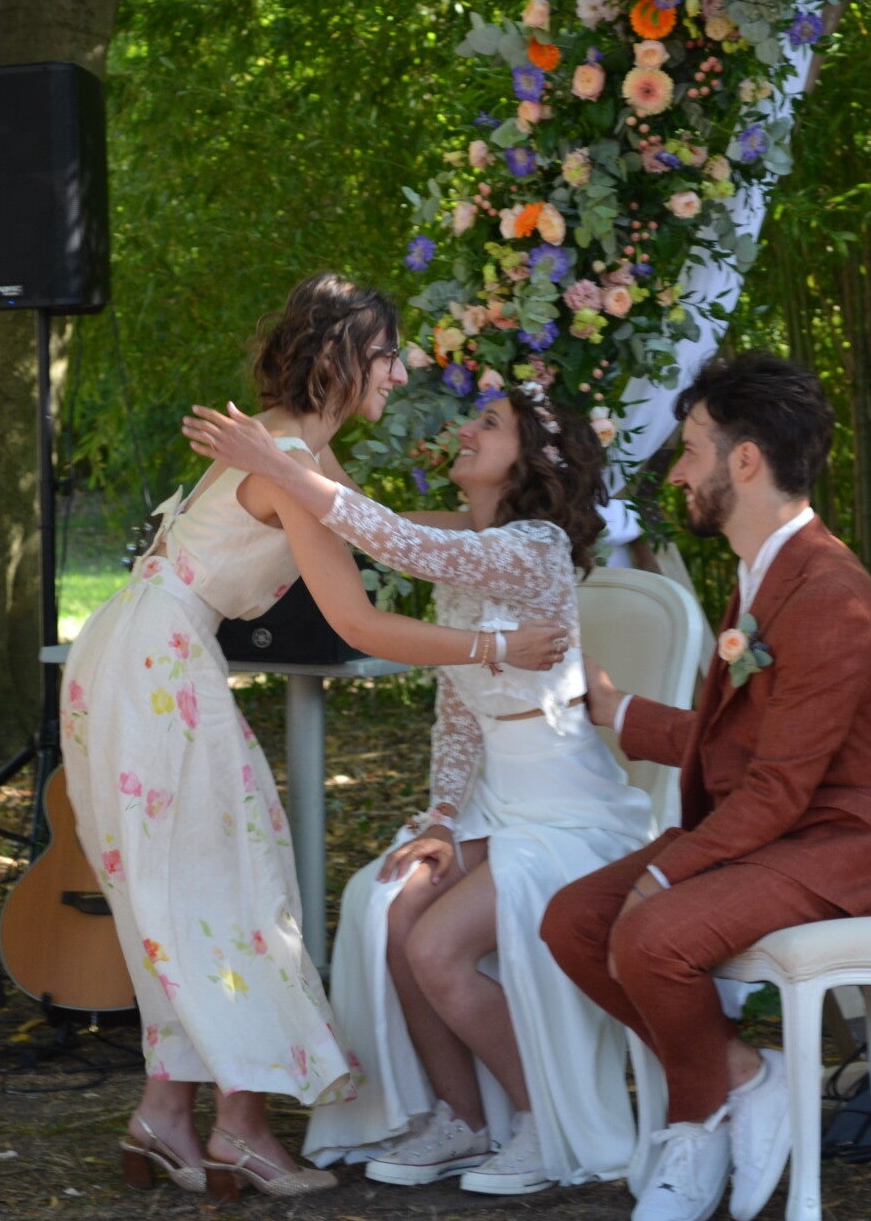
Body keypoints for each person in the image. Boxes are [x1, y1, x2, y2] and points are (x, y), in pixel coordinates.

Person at [61, 273, 563, 1202]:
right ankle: (241, 1129)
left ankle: (164, 1115)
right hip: (159, 664)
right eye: (387, 354)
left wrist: (499, 530)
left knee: (182, 889)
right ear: (338, 357)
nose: (399, 372)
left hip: (128, 649)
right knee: (234, 886)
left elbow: (380, 532)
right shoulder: (288, 457)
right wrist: (497, 645)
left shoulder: (297, 451)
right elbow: (358, 621)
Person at [537, 352, 871, 1221]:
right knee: (572, 921)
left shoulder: (827, 593)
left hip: (844, 845)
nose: (676, 472)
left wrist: (661, 874)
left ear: (743, 461)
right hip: (780, 830)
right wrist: (622, 712)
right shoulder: (764, 574)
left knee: (650, 933)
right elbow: (745, 749)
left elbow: (777, 786)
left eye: (689, 449)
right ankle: (742, 1074)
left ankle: (693, 1121)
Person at [183, 382, 655, 1196]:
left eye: (487, 423)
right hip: (495, 807)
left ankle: (542, 1122)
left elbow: (394, 539)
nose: (464, 430)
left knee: (437, 945)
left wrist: (279, 465)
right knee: (390, 902)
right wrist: (439, 816)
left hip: (570, 813)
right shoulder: (469, 543)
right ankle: (461, 1117)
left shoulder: (533, 546)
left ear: (532, 460)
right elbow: (460, 710)